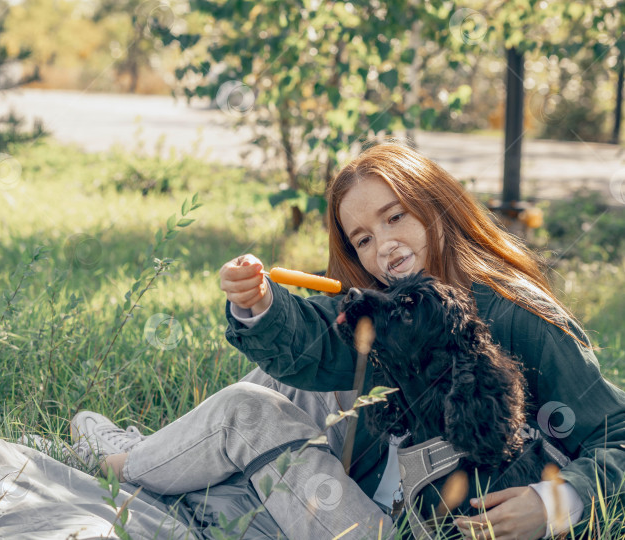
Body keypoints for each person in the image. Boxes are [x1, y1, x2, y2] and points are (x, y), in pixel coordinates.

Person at [73, 142, 625, 539]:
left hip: (384, 525)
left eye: (396, 217)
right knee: (286, 380)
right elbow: (318, 338)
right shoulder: (395, 308)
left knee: (245, 412)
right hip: (369, 497)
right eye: (363, 238)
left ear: (438, 208)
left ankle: (121, 461)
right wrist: (261, 304)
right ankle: (146, 454)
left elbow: (618, 434)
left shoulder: (519, 317)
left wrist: (553, 502)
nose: (384, 247)